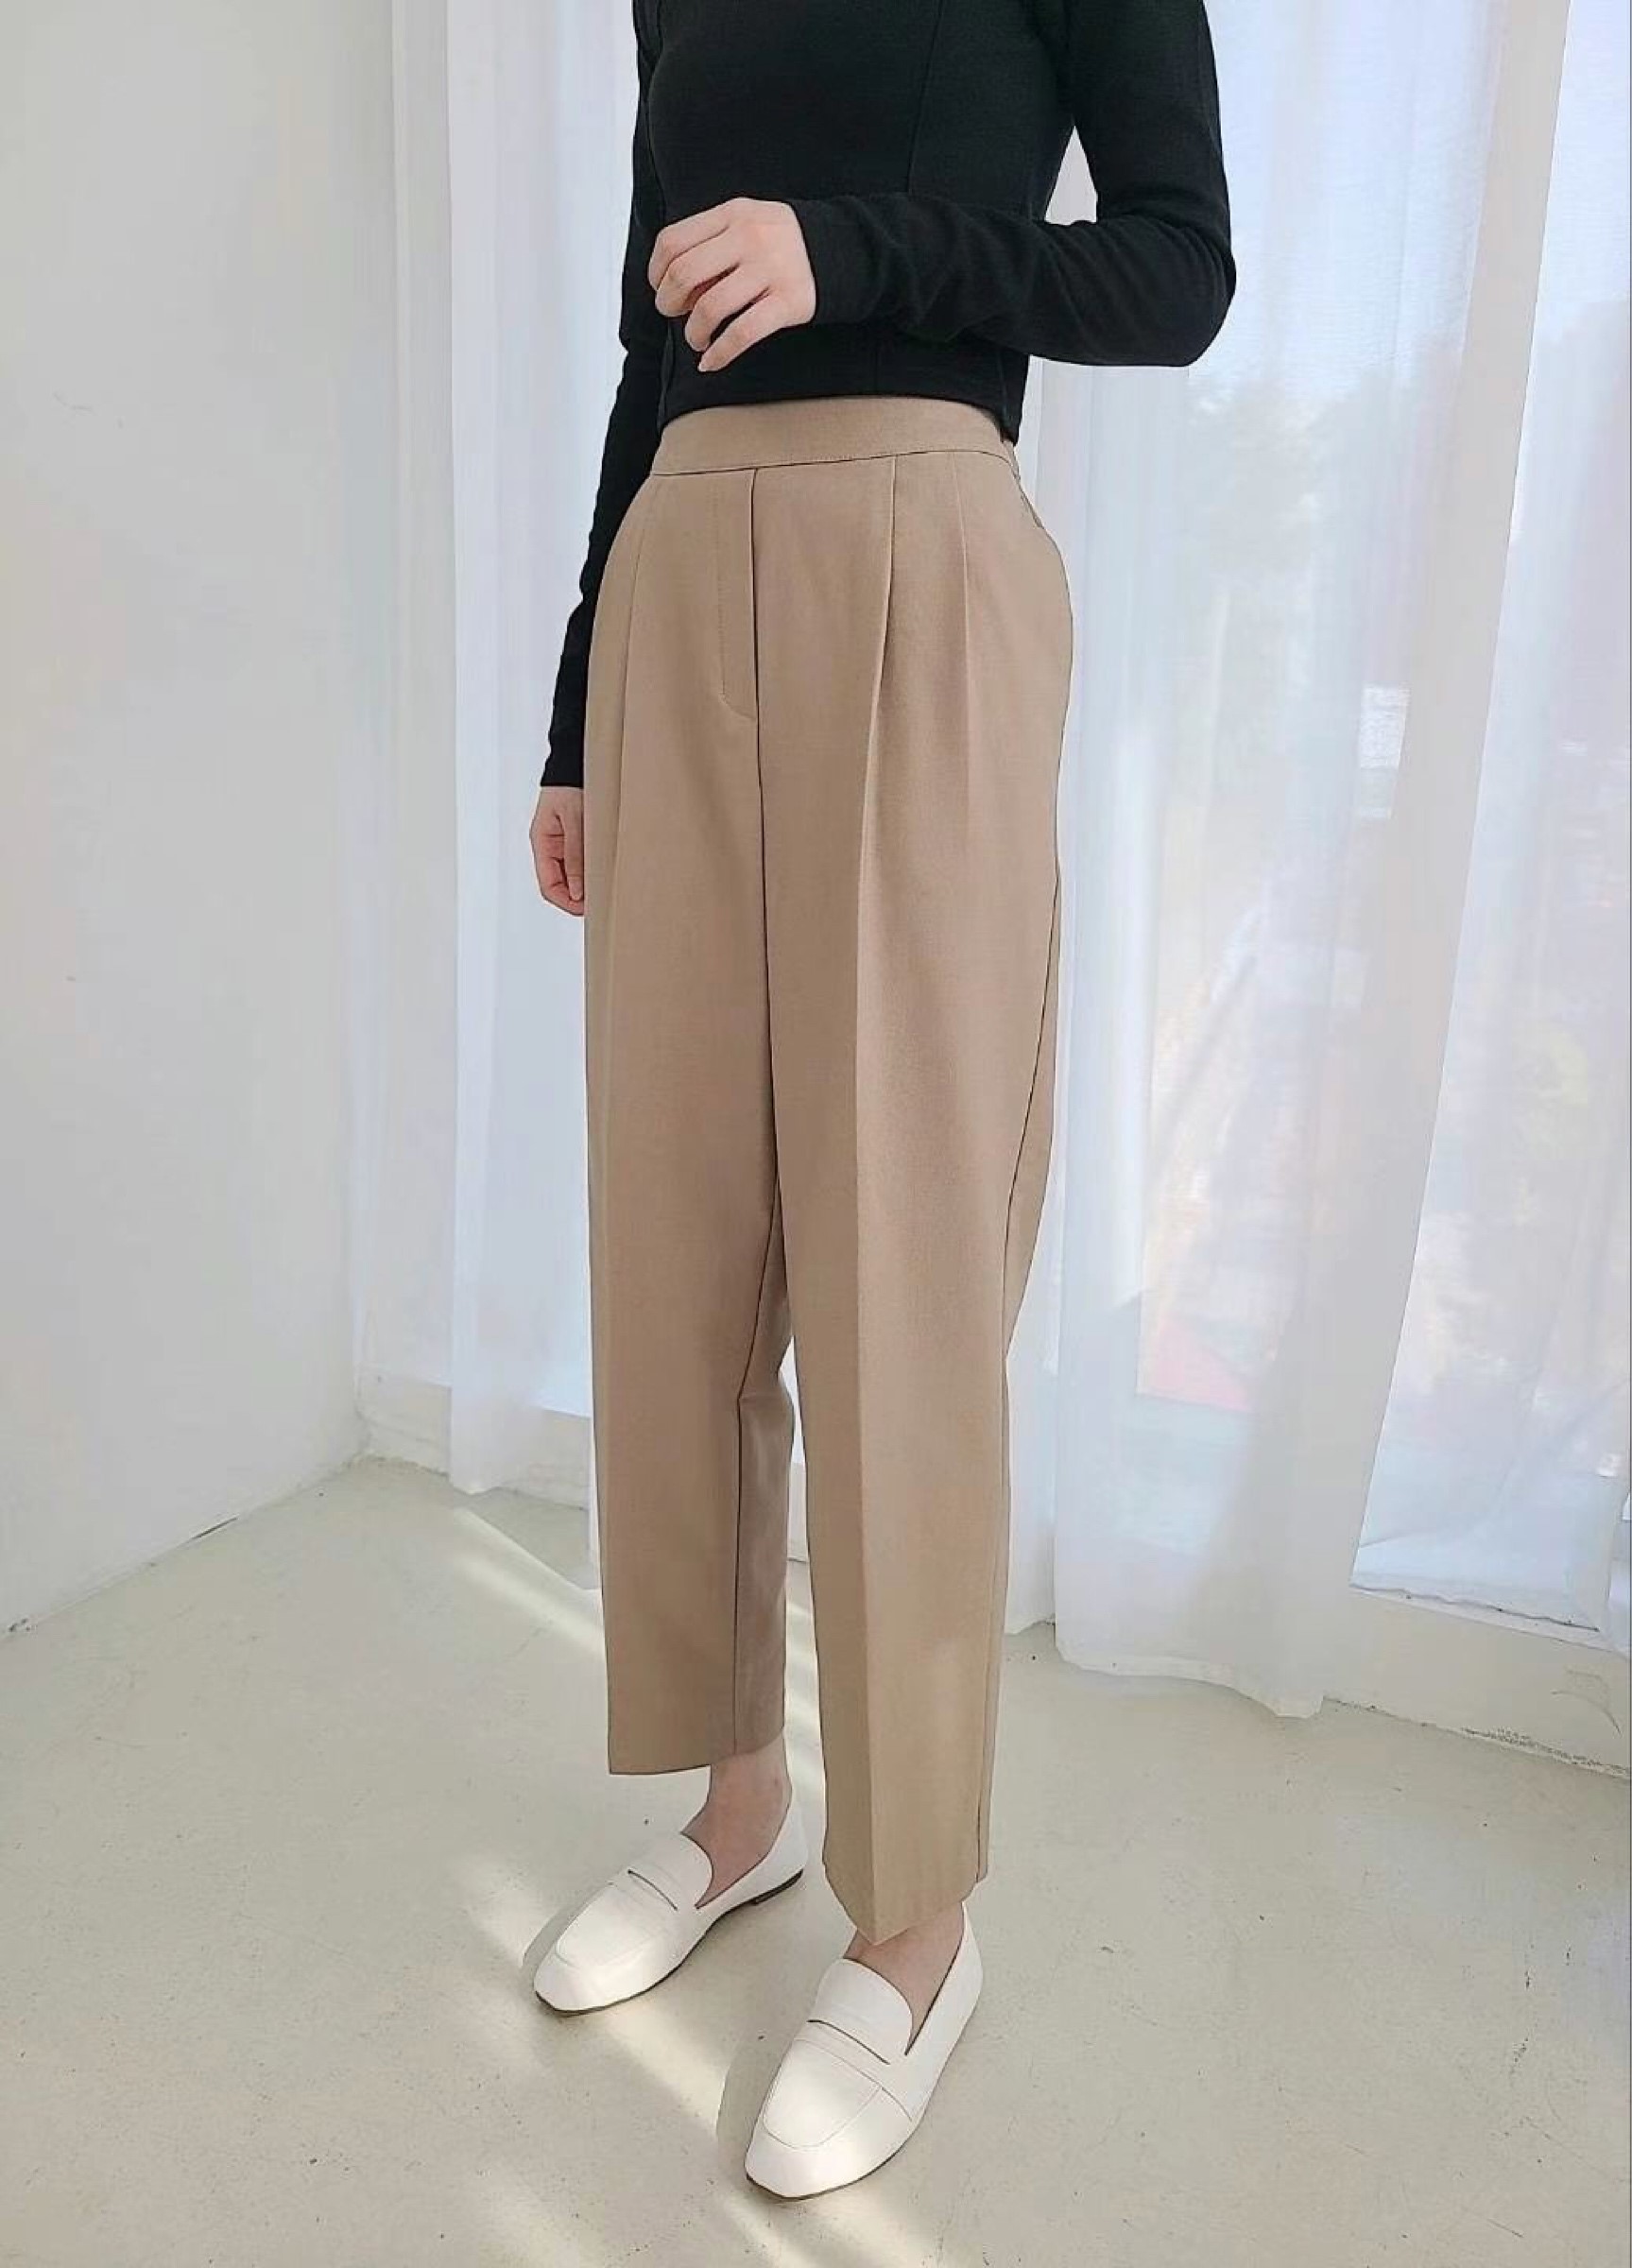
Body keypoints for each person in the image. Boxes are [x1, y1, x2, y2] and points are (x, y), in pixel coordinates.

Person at [528, 0, 1233, 2198]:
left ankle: (917, 1921)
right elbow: (646, 353)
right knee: (677, 1237)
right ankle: (734, 1806)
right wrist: (573, 713)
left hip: (924, 556)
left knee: (902, 1261)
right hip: (682, 565)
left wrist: (855, 251)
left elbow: (1178, 272)